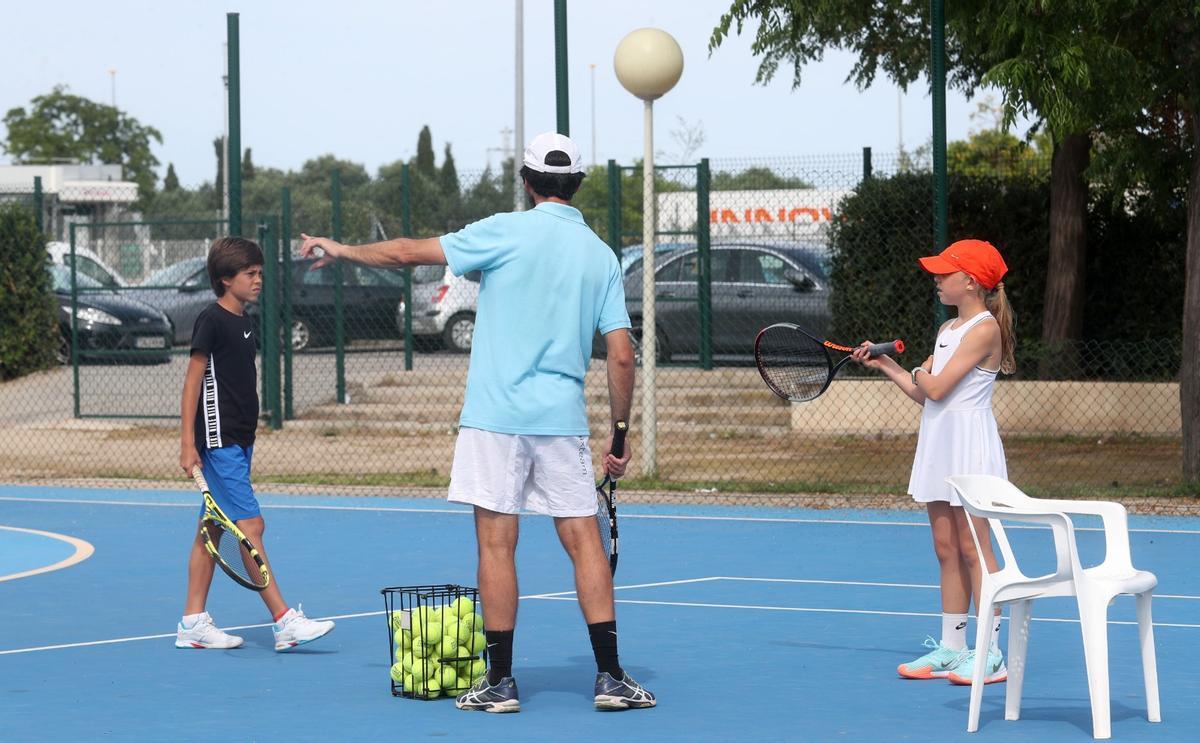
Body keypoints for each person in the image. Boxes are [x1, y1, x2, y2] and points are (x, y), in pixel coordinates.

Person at [300, 132, 651, 713]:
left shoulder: (503, 230)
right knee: (583, 542)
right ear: (579, 184)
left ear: (526, 180)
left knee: (496, 543)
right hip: (562, 421)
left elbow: (408, 252)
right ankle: (611, 677)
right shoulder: (601, 255)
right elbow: (620, 354)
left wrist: (340, 249)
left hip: (494, 420)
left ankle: (501, 683)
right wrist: (619, 433)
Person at [851, 238, 1016, 686]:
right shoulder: (946, 331)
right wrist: (887, 363)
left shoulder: (985, 329)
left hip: (971, 446)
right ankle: (953, 648)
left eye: (945, 273)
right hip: (940, 442)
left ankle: (992, 654)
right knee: (946, 549)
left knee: (974, 549)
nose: (937, 280)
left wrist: (925, 372)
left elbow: (938, 387)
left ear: (972, 282)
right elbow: (925, 393)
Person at [176, 237, 335, 651]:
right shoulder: (210, 320)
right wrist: (187, 442)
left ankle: (193, 622)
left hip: (241, 438)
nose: (258, 280)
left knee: (211, 527)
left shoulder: (245, 320)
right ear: (226, 279)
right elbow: (193, 381)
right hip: (218, 439)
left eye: (260, 273)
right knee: (250, 526)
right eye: (251, 274)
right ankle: (284, 620)